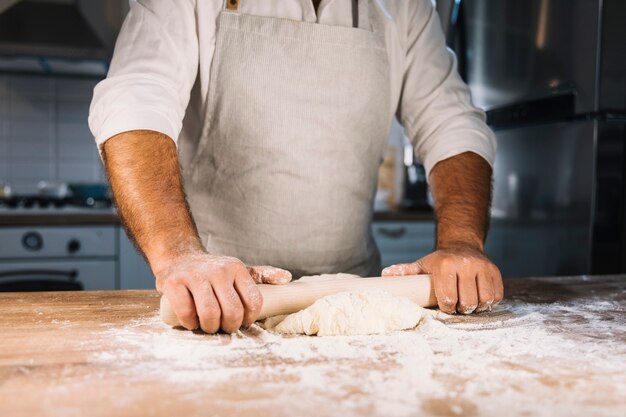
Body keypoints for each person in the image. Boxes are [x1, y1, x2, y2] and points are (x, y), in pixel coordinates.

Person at [89, 0, 503, 334]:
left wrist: (460, 242)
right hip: (212, 302)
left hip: (352, 302)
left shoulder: (406, 7)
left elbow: (451, 121)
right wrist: (179, 255)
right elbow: (136, 99)